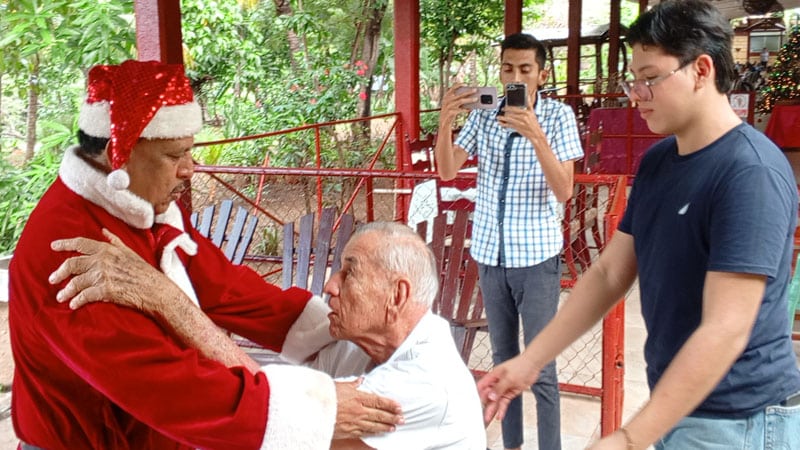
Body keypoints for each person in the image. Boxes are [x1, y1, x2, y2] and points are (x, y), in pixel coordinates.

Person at [8, 59, 401, 450]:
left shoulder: (143, 209)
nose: (189, 170)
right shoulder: (69, 250)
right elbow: (167, 389)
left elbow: (229, 290)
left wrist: (353, 333)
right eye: (174, 155)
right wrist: (319, 414)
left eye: (191, 153)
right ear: (118, 153)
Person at [478, 2, 800, 449]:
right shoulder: (658, 162)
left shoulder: (749, 172)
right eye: (635, 80)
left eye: (650, 79)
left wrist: (630, 438)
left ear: (701, 70)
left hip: (740, 419)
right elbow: (611, 272)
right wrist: (531, 360)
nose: (636, 94)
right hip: (677, 403)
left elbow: (726, 328)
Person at [50, 222, 487, 449]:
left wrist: (164, 299)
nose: (330, 286)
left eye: (349, 273)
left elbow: (279, 419)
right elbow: (273, 392)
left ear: (398, 294)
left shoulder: (425, 381)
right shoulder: (357, 347)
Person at [434, 32, 584, 450]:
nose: (515, 76)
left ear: (541, 74)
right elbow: (447, 171)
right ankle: (512, 445)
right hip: (489, 256)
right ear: (499, 71)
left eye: (524, 69)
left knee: (542, 367)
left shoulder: (557, 117)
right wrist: (446, 121)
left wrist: (535, 134)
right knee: (503, 363)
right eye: (507, 68)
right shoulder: (484, 115)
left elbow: (564, 190)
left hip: (536, 259)